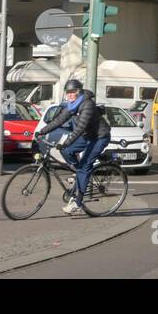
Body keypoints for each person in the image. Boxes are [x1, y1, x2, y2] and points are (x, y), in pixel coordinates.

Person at [37, 78, 113, 213]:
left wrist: (66, 142)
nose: (70, 95)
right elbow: (59, 120)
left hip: (99, 137)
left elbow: (80, 128)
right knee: (67, 152)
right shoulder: (71, 106)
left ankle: (78, 203)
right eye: (68, 92)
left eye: (73, 92)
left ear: (79, 92)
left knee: (84, 166)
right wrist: (42, 131)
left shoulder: (87, 104)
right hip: (87, 136)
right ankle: (80, 174)